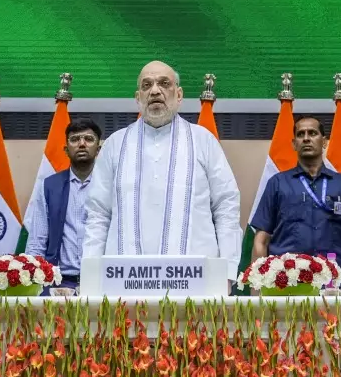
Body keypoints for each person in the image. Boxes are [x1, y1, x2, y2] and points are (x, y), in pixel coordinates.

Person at [83, 61, 243, 274]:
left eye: (164, 83)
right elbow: (98, 214)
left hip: (195, 280)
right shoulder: (116, 144)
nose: (155, 91)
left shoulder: (203, 140)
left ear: (178, 95)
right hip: (123, 281)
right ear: (137, 97)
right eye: (146, 85)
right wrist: (91, 273)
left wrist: (228, 270)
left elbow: (226, 207)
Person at [249, 114, 341, 268]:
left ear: (324, 142)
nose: (306, 138)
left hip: (336, 283)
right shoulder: (277, 184)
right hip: (289, 282)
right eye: (300, 134)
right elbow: (261, 240)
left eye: (312, 133)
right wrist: (256, 289)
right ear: (294, 144)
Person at [24, 117, 102, 291]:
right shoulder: (50, 186)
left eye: (88, 139)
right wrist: (34, 285)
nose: (82, 144)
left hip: (101, 281)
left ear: (98, 149)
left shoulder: (110, 185)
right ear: (66, 149)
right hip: (59, 283)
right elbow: (37, 241)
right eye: (75, 139)